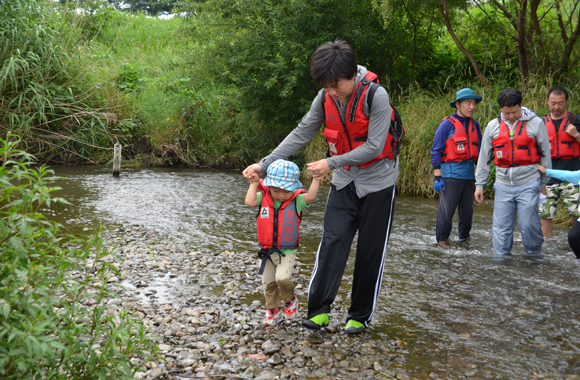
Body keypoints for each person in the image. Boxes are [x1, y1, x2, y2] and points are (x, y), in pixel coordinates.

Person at [243, 39, 399, 335]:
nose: (332, 92)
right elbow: (302, 133)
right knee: (332, 243)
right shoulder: (324, 97)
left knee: (370, 251)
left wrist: (331, 162)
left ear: (353, 74)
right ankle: (319, 311)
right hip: (344, 182)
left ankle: (359, 316)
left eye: (336, 85)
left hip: (379, 183)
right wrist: (264, 164)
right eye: (326, 86)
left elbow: (375, 146)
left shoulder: (376, 96)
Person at [474, 88, 551, 255]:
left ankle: (535, 256)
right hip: (502, 184)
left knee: (528, 224)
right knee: (501, 228)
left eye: (515, 112)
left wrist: (544, 184)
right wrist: (480, 185)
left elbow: (546, 155)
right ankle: (501, 261)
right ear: (501, 109)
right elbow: (484, 158)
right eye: (507, 113)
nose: (511, 116)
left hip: (529, 181)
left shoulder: (536, 123)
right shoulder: (493, 126)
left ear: (521, 105)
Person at [245, 159, 321, 325]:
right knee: (269, 282)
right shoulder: (263, 197)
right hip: (266, 251)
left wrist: (316, 179)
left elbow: (311, 196)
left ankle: (290, 301)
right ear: (269, 187)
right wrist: (254, 183)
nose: (280, 194)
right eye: (276, 190)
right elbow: (249, 202)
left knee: (282, 278)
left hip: (287, 252)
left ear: (293, 189)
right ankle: (272, 309)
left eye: (285, 191)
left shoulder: (297, 201)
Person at [430, 88, 482, 246]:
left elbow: (479, 152)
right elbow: (436, 150)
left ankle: (464, 240)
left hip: (469, 176)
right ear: (458, 104)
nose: (472, 107)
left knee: (467, 214)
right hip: (450, 176)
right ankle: (442, 242)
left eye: (473, 103)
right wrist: (438, 177)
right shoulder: (447, 124)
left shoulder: (475, 125)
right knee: (446, 212)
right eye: (468, 103)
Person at [539, 86, 580, 239]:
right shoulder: (540, 122)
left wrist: (576, 135)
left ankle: (575, 244)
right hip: (548, 176)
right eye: (553, 103)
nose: (556, 107)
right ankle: (546, 245)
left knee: (577, 211)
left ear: (566, 102)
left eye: (560, 103)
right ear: (547, 102)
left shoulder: (576, 120)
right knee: (546, 213)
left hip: (572, 174)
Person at [538, 165, 580, 259]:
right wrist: (547, 171)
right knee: (573, 236)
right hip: (550, 180)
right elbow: (566, 175)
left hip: (570, 166)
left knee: (575, 216)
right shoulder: (578, 175)